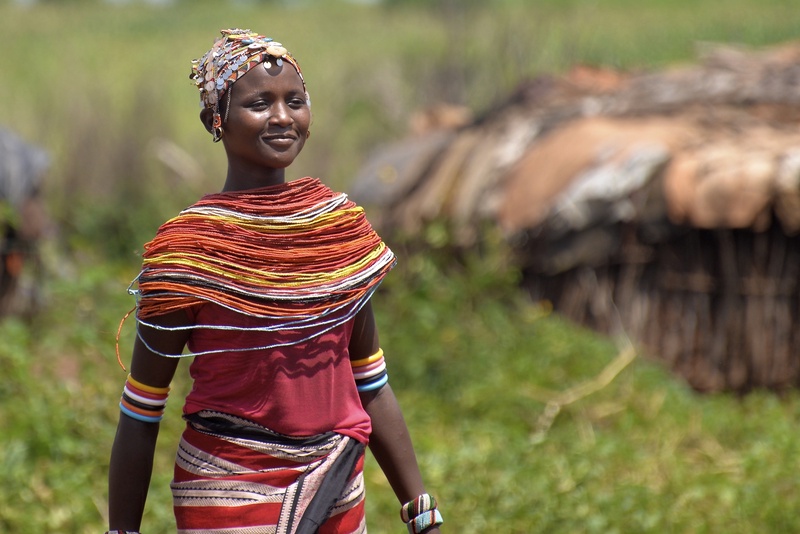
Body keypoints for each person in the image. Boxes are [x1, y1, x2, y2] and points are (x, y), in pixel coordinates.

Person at [107, 29, 443, 534]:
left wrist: (420, 508)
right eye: (260, 103)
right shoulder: (188, 251)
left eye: (296, 101)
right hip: (229, 491)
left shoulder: (335, 233)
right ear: (214, 120)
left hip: (338, 489)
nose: (283, 117)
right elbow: (141, 410)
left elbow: (371, 384)